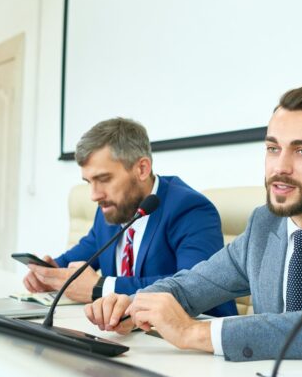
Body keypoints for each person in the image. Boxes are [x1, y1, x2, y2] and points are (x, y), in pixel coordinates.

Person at [85, 85, 302, 361]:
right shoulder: (265, 224)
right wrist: (135, 304)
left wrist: (196, 333)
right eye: (273, 148)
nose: (281, 167)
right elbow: (190, 285)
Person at [23, 117, 236, 317]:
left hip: (193, 344)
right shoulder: (112, 208)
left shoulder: (190, 209)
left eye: (104, 179)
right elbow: (78, 257)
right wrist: (48, 275)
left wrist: (100, 287)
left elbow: (195, 286)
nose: (94, 195)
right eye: (89, 182)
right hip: (130, 335)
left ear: (142, 169)